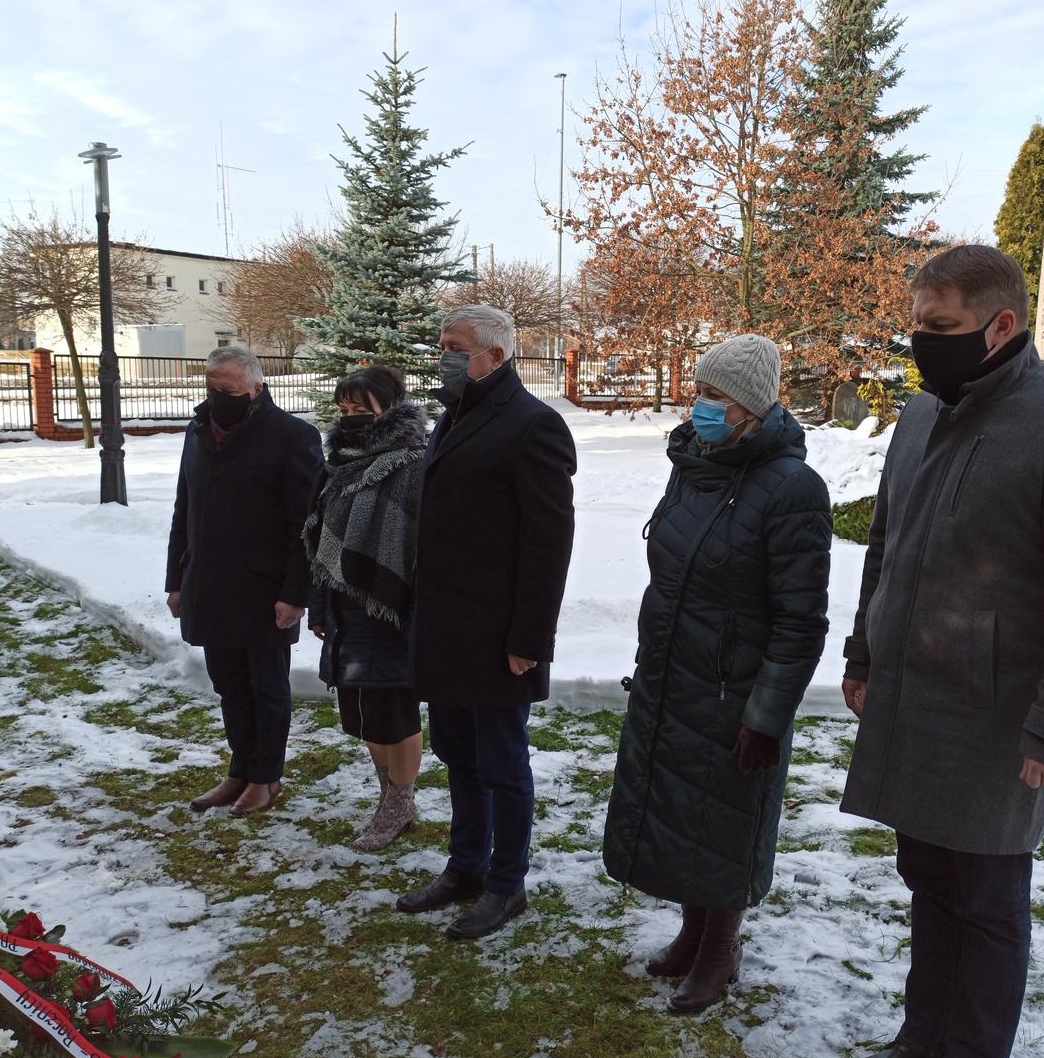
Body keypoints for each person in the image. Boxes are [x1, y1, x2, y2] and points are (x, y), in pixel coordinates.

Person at [836, 245, 1044, 1058]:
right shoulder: (921, 416)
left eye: (943, 326)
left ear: (1001, 325)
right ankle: (922, 1039)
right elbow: (886, 548)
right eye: (918, 324)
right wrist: (864, 654)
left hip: (1001, 720)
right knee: (927, 879)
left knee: (989, 897)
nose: (923, 341)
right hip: (914, 699)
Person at [602, 334, 832, 1013]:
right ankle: (692, 931)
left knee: (727, 820)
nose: (698, 406)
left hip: (737, 690)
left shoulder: (793, 489)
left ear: (753, 408)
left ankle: (719, 949)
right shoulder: (695, 465)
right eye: (698, 391)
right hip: (677, 670)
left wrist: (766, 716)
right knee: (682, 813)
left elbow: (800, 620)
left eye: (715, 397)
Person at [396, 305, 577, 940]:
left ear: (495, 357)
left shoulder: (535, 426)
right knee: (458, 755)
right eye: (441, 344)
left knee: (501, 763)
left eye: (455, 347)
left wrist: (530, 639)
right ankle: (465, 866)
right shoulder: (454, 417)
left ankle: (507, 883)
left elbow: (548, 544)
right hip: (445, 630)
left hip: (499, 637)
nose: (443, 356)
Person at [166, 346, 324, 815]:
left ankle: (266, 776)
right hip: (209, 584)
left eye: (228, 390)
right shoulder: (198, 431)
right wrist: (177, 579)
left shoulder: (292, 436)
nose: (218, 398)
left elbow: (305, 523)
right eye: (211, 389)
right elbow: (184, 509)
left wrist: (296, 594)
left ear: (256, 387)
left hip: (264, 589)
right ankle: (239, 769)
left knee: (266, 686)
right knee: (229, 684)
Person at [304, 366, 427, 851]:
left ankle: (399, 801)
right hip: (344, 609)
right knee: (361, 716)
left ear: (390, 407)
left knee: (394, 713)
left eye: (362, 408)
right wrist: (319, 603)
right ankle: (389, 794)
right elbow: (314, 535)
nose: (350, 417)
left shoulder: (415, 461)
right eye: (345, 408)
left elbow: (420, 542)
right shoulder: (338, 460)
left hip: (393, 610)